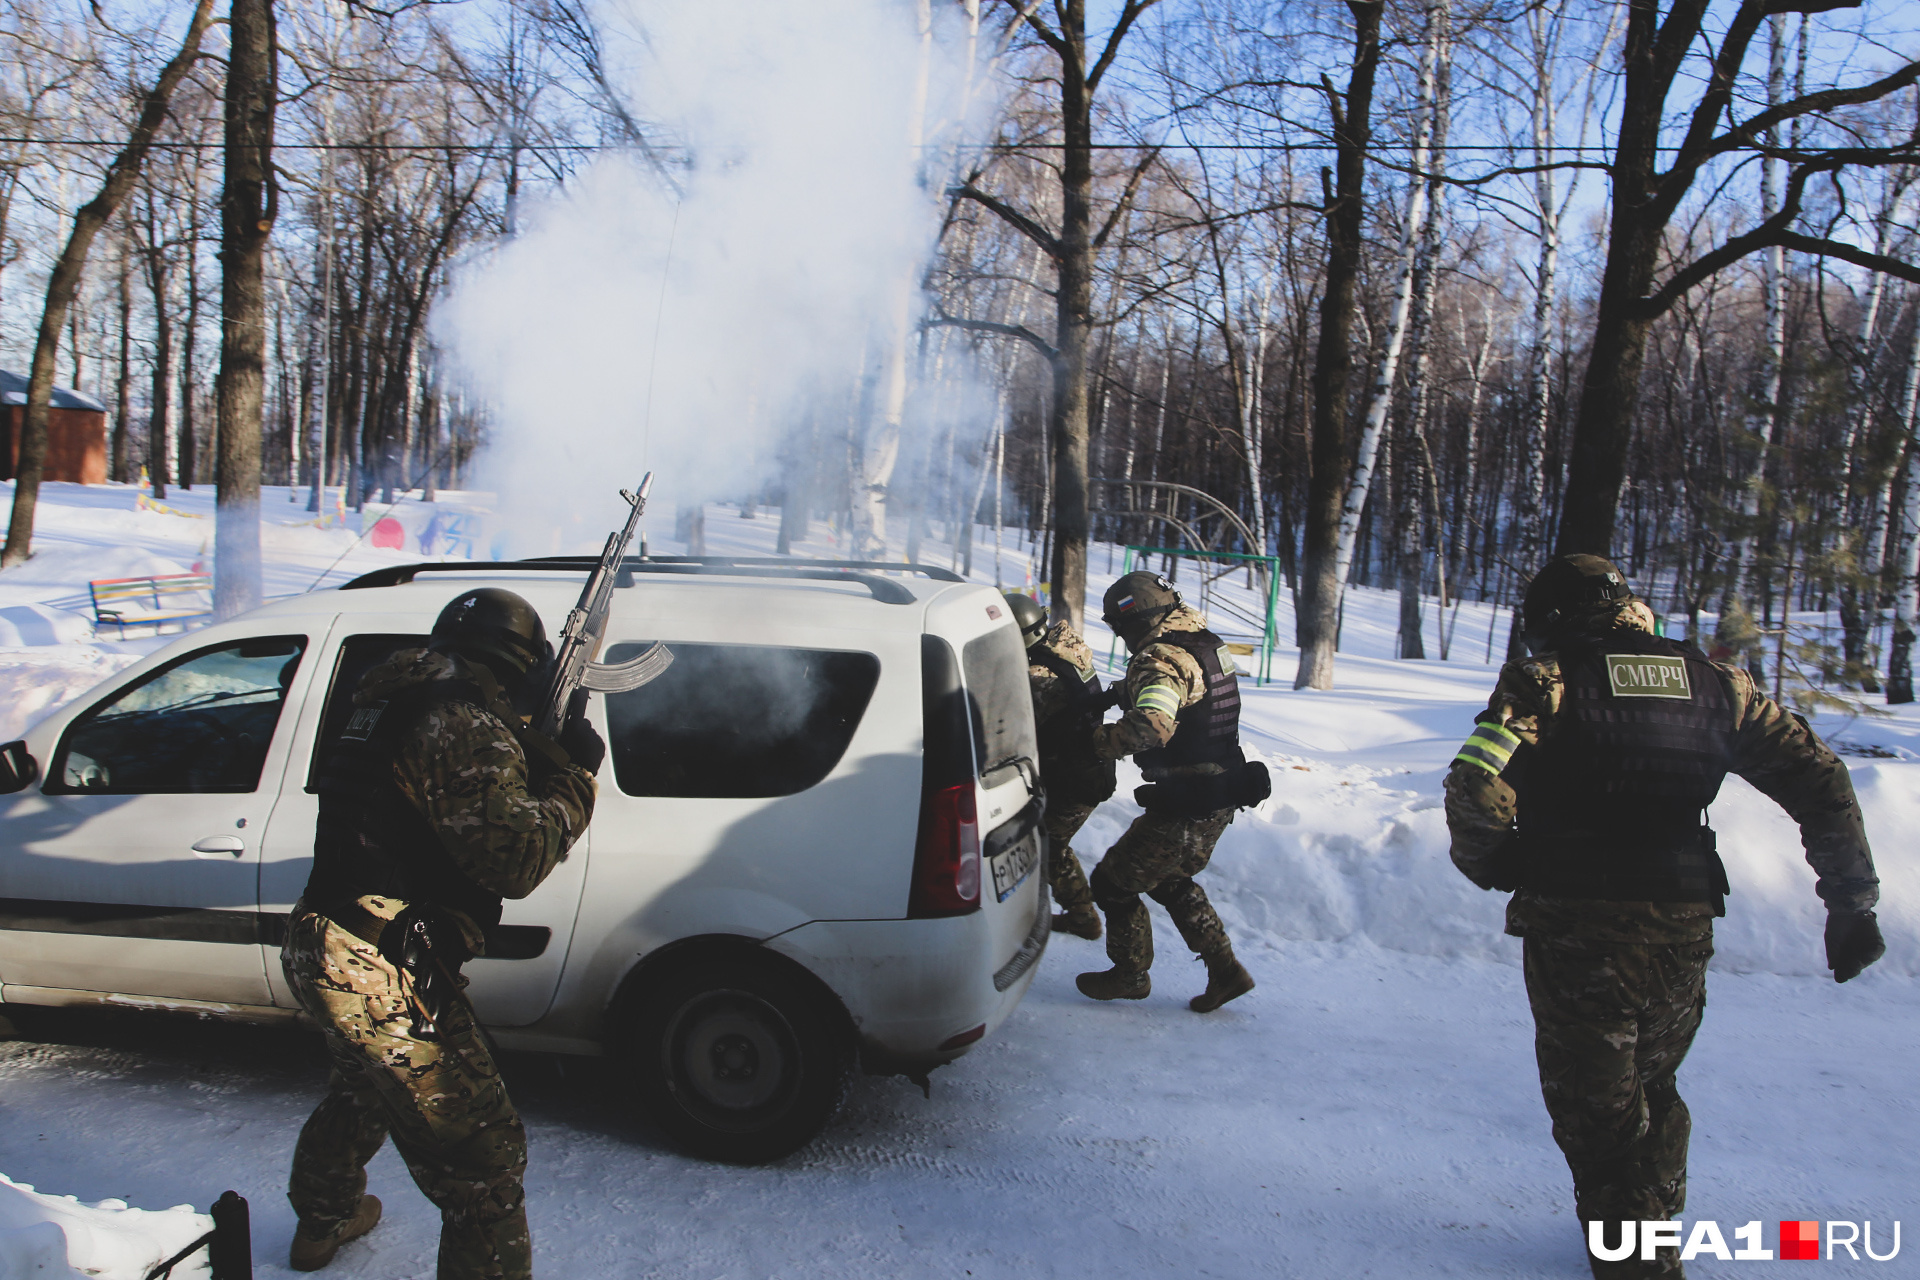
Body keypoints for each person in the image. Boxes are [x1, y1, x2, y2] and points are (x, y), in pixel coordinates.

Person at [1444, 554, 1885, 1280]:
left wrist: (1496, 863)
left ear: (1555, 616)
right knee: (1652, 1085)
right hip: (1682, 921)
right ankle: (1647, 1235)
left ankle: (1639, 1262)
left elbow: (1475, 782)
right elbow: (1820, 778)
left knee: (1597, 1115)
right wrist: (1851, 902)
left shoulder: (1546, 681)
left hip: (1578, 927)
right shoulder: (1718, 684)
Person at [283, 587, 605, 1277]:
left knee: (361, 1087)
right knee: (484, 1163)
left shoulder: (387, 699)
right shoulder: (463, 721)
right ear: (519, 662)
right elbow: (515, 860)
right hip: (381, 965)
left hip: (327, 939)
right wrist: (575, 779)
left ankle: (324, 1219)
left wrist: (530, 751)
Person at [1076, 571, 1265, 1012]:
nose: (1120, 637)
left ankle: (1130, 974)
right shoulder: (1203, 641)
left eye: (1119, 627)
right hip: (1218, 789)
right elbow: (1188, 691)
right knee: (1171, 881)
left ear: (1135, 621)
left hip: (1189, 798)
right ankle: (1226, 972)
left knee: (1112, 883)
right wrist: (1120, 692)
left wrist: (1094, 744)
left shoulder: (1159, 658)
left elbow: (1152, 726)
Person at [1004, 591, 1116, 940]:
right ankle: (1081, 914)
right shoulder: (1066, 648)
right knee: (1048, 843)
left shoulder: (1038, 675)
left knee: (1047, 845)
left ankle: (1082, 916)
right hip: (1083, 766)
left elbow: (1011, 725)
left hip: (1077, 776)